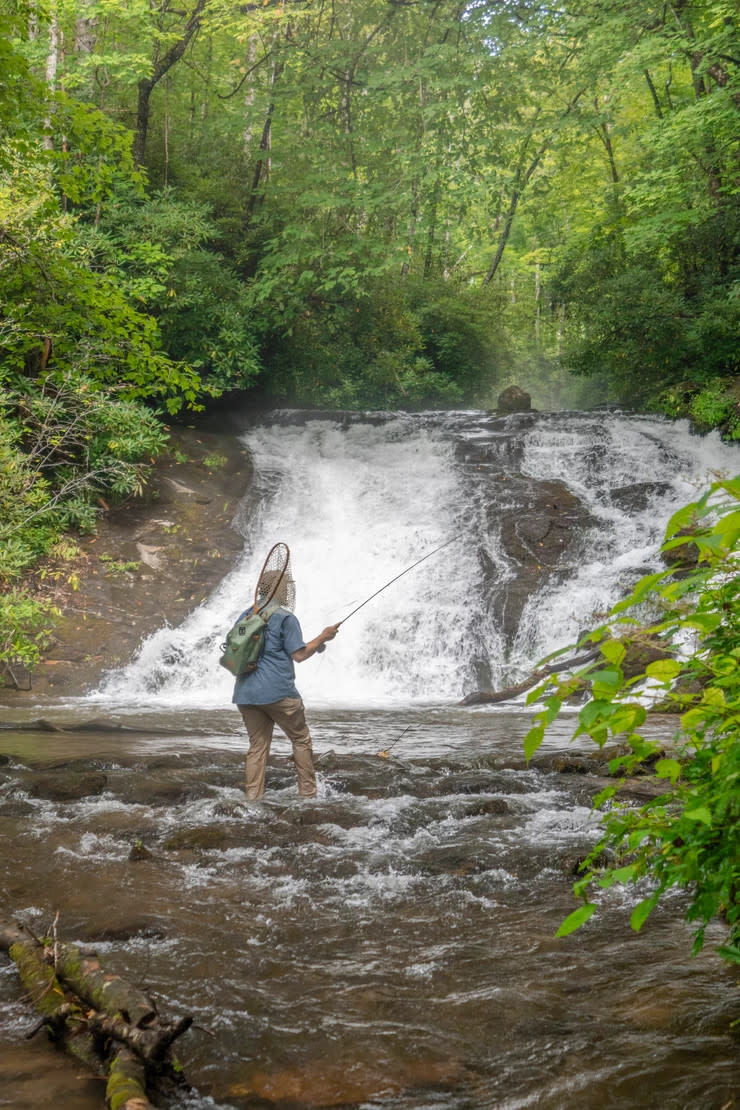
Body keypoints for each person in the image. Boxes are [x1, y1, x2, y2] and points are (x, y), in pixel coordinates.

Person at [232, 569, 339, 799]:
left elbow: (234, 646)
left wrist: (316, 644)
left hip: (246, 694)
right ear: (282, 590)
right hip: (278, 692)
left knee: (257, 747)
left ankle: (253, 800)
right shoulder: (284, 617)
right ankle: (308, 796)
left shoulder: (246, 615)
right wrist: (323, 636)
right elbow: (299, 655)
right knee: (300, 739)